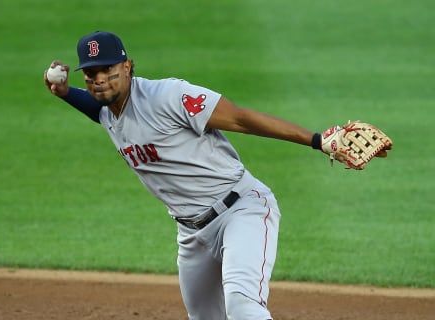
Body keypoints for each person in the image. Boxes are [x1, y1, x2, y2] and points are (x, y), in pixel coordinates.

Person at [43, 31, 388, 320]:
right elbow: (97, 107)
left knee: (242, 305)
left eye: (108, 70)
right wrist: (63, 92)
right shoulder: (107, 110)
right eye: (91, 74)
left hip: (241, 210)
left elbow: (239, 119)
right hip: (191, 233)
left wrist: (315, 140)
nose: (100, 80)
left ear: (128, 66)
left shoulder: (168, 96)